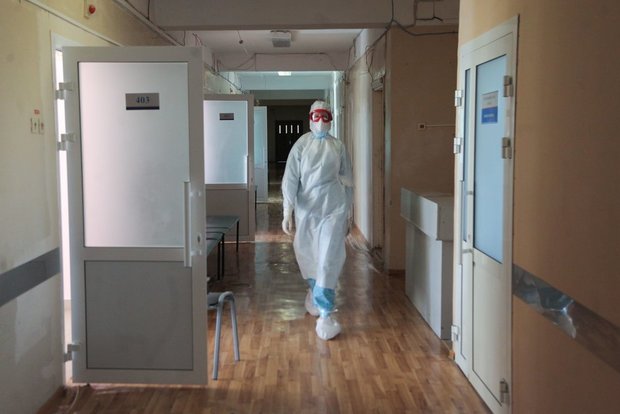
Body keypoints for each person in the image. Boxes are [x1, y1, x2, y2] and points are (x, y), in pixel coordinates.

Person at [281, 100, 353, 340]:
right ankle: (314, 292)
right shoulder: (302, 145)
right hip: (307, 210)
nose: (321, 121)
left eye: (325, 116)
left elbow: (348, 181)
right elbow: (291, 178)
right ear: (310, 118)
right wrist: (287, 210)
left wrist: (348, 213)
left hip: (333, 208)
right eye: (317, 116)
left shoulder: (338, 146)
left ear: (331, 118)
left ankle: (326, 313)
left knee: (328, 259)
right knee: (308, 256)